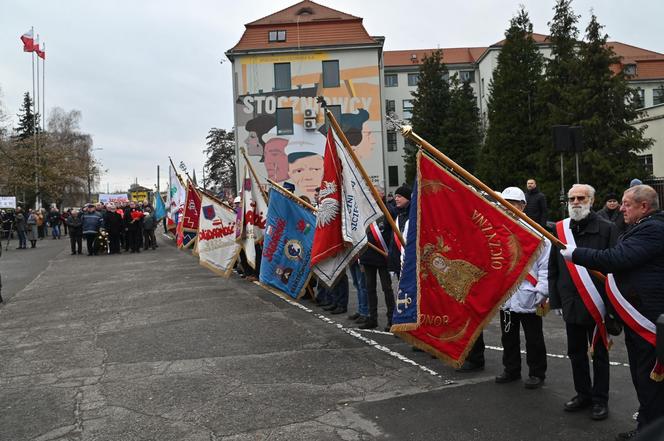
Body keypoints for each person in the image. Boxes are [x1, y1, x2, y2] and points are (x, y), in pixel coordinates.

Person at [561, 185, 664, 439]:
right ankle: (647, 426)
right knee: (643, 379)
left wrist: (576, 254)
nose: (621, 207)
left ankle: (651, 432)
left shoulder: (653, 229)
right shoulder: (640, 227)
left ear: (644, 207)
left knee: (650, 380)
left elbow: (617, 258)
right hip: (636, 314)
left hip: (646, 317)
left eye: (627, 204)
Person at [549, 184, 618, 421]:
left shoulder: (607, 229)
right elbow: (553, 269)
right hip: (570, 302)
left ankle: (600, 400)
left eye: (581, 197)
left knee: (599, 354)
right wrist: (556, 300)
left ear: (591, 200)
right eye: (572, 198)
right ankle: (583, 394)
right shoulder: (560, 229)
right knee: (575, 352)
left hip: (597, 303)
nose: (576, 202)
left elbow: (614, 269)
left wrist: (611, 307)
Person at [494, 187, 550, 389]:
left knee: (534, 338)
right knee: (508, 336)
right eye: (505, 203)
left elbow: (545, 265)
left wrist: (542, 290)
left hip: (529, 292)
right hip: (506, 294)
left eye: (513, 204)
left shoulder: (536, 231)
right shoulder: (497, 230)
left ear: (523, 206)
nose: (508, 208)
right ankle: (511, 369)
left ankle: (537, 372)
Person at [359, 186, 395, 331]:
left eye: (374, 193)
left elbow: (393, 234)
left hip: (384, 257)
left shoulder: (388, 210)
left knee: (387, 289)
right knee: (370, 289)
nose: (372, 196)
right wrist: (360, 258)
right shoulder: (364, 212)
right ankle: (372, 318)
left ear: (381, 194)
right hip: (368, 257)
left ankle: (391, 319)